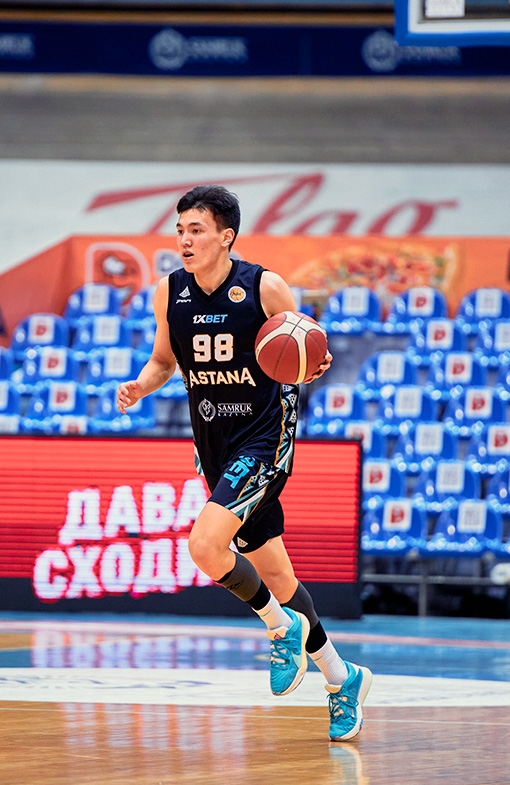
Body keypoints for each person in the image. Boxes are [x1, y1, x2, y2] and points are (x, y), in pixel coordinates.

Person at [116, 184, 372, 741]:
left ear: (226, 236)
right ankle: (341, 677)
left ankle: (279, 629)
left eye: (197, 230)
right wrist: (140, 384)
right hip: (214, 443)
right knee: (278, 576)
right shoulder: (169, 292)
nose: (185, 240)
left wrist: (315, 362)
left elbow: (306, 349)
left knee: (204, 546)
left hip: (263, 439)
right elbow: (163, 361)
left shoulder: (264, 286)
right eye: (180, 231)